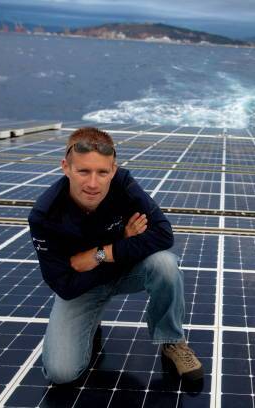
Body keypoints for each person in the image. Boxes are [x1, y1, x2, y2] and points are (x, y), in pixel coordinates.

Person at [28, 127, 203, 384]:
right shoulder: (44, 216)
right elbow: (64, 285)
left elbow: (164, 235)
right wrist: (124, 243)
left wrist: (100, 254)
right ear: (66, 167)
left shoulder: (123, 184)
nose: (93, 183)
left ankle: (172, 341)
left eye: (102, 172)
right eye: (83, 171)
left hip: (112, 272)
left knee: (165, 264)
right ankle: (90, 320)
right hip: (81, 289)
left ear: (113, 169)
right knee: (60, 373)